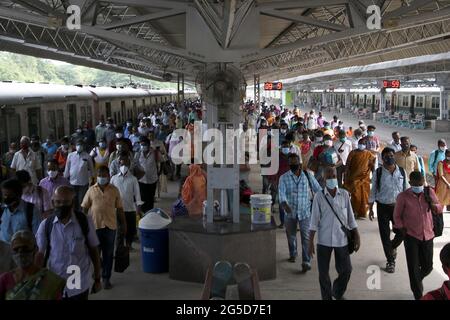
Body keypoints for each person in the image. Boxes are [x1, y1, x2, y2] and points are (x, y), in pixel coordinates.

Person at [36, 186, 102, 300]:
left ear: (72, 203)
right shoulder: (46, 225)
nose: (62, 205)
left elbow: (93, 251)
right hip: (54, 282)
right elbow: (40, 254)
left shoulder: (84, 221)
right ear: (52, 202)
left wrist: (97, 278)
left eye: (66, 202)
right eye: (58, 202)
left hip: (79, 283)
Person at [309, 167, 360, 300]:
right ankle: (326, 297)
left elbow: (350, 218)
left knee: (346, 270)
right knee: (323, 274)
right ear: (324, 179)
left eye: (333, 176)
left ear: (337, 177)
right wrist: (310, 242)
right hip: (323, 241)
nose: (332, 179)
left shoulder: (344, 194)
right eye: (329, 177)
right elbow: (313, 221)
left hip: (341, 240)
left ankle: (337, 292)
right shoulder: (319, 197)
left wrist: (357, 235)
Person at [394, 171, 443, 299]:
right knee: (413, 267)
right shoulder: (403, 197)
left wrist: (433, 205)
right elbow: (397, 216)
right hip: (411, 236)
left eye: (421, 183)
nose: (419, 186)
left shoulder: (429, 192)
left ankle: (416, 279)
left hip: (428, 235)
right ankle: (418, 294)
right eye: (416, 184)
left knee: (428, 266)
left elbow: (439, 207)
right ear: (410, 183)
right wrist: (402, 228)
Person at [81, 166, 126, 290]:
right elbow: (84, 208)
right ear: (97, 176)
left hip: (110, 227)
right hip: (94, 227)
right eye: (100, 175)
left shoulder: (114, 190)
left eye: (104, 175)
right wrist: (82, 224)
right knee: (94, 253)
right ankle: (97, 272)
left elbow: (120, 209)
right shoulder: (91, 190)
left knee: (108, 253)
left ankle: (106, 278)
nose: (102, 177)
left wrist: (124, 224)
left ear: (108, 176)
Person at [279, 154, 321, 271]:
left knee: (306, 237)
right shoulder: (283, 178)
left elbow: (318, 189)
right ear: (289, 164)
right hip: (290, 212)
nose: (293, 165)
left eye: (295, 163)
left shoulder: (307, 176)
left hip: (305, 212)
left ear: (300, 164)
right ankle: (293, 253)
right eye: (291, 163)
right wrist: (284, 203)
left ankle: (306, 261)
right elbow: (281, 193)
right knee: (291, 235)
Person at [369, 147, 408, 273]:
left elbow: (406, 190)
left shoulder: (401, 171)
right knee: (384, 235)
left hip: (398, 207)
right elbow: (373, 190)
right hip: (383, 207)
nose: (390, 157)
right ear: (383, 158)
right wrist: (370, 208)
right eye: (387, 155)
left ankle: (391, 247)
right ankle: (390, 261)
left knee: (402, 232)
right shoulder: (378, 172)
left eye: (392, 155)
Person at [0, 230, 65, 300]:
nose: (20, 253)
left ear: (35, 249)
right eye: (16, 249)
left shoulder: (50, 280)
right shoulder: (4, 279)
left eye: (25, 248)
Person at [110, 155, 143, 248]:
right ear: (118, 164)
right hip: (117, 209)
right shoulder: (114, 179)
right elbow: (110, 193)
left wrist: (138, 208)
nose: (123, 165)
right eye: (121, 162)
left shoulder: (133, 179)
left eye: (125, 162)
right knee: (119, 231)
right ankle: (119, 248)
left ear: (128, 165)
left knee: (130, 230)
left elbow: (137, 194)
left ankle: (128, 245)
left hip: (130, 209)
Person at [344, 138, 376, 219]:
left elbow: (372, 167)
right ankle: (355, 212)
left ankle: (363, 213)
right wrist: (346, 176)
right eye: (360, 143)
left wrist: (374, 176)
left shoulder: (369, 154)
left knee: (365, 196)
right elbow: (347, 165)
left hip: (365, 179)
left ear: (365, 145)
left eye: (363, 143)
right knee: (355, 196)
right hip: (354, 179)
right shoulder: (353, 153)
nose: (361, 145)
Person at [64, 140, 94, 212]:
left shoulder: (87, 156)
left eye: (81, 145)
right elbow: (67, 168)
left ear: (83, 146)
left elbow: (91, 168)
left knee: (82, 201)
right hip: (72, 182)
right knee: (73, 200)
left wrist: (93, 178)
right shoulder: (70, 155)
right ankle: (74, 214)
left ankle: (81, 216)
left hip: (83, 183)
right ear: (75, 146)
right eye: (78, 144)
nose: (79, 146)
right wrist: (65, 178)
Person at [135, 137, 159, 213]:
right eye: (141, 145)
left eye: (144, 144)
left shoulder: (155, 153)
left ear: (148, 145)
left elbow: (162, 161)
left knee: (150, 198)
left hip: (152, 180)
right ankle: (143, 214)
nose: (142, 146)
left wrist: (159, 173)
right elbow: (135, 164)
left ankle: (149, 213)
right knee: (142, 198)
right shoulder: (138, 153)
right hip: (141, 180)